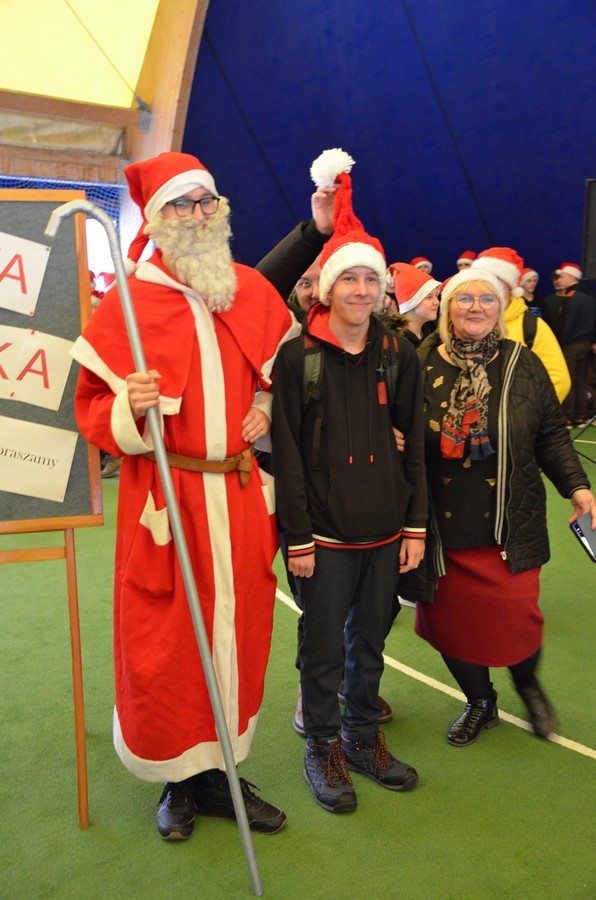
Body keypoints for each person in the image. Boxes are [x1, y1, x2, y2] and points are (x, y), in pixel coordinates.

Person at [70, 151, 300, 841]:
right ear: (157, 217)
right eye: (182, 203)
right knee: (167, 642)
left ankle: (223, 771)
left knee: (238, 632)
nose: (198, 214)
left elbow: (277, 372)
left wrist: (263, 404)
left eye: (207, 201)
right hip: (168, 503)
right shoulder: (130, 302)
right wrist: (129, 406)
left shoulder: (246, 288)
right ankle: (178, 779)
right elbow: (92, 411)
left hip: (238, 496)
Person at [272, 149, 427, 813]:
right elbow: (286, 454)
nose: (361, 290)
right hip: (324, 540)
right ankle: (323, 747)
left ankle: (363, 738)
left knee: (369, 645)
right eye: (349, 279)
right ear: (326, 288)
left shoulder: (399, 353)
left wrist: (415, 526)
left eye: (371, 279)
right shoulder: (296, 359)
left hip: (387, 534)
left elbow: (416, 446)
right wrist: (299, 537)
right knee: (321, 652)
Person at [409, 267, 595, 747]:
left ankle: (528, 686)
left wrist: (577, 487)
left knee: (518, 618)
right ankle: (480, 701)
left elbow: (551, 434)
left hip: (509, 522)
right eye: (464, 298)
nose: (476, 307)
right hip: (440, 526)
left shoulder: (521, 363)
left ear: (501, 308)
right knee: (451, 626)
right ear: (447, 308)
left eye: (487, 298)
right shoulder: (419, 361)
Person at [471, 247, 571, 404]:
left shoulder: (531, 326)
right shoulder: (465, 320)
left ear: (510, 286)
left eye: (496, 279)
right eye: (482, 279)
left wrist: (525, 412)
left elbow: (558, 379)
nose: (489, 286)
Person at [542, 262, 596, 426]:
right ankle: (581, 415)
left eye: (563, 276)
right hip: (585, 343)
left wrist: (559, 342)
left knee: (568, 379)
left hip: (571, 344)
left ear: (572, 277)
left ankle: (566, 416)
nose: (559, 280)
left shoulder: (571, 296)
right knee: (580, 380)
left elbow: (568, 323)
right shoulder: (589, 295)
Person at [389, 262, 441, 347]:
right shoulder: (394, 342)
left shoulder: (430, 337)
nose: (437, 302)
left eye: (436, 296)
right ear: (411, 302)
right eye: (429, 297)